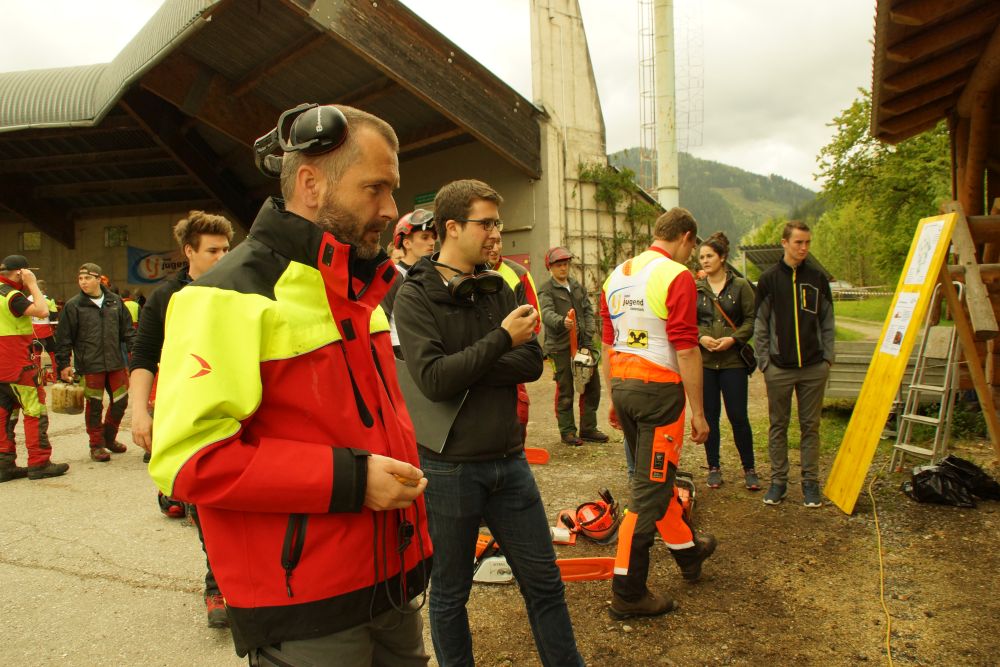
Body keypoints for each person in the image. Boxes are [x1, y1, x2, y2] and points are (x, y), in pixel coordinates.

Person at [148, 104, 431, 666]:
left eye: (392, 190)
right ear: (311, 184)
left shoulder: (360, 289)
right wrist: (354, 481)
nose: (391, 210)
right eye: (375, 188)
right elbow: (187, 460)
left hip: (393, 582)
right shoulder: (224, 296)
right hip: (305, 606)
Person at [393, 179, 584, 667]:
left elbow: (532, 362)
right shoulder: (414, 296)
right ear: (452, 227)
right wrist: (500, 339)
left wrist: (469, 363)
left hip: (509, 463)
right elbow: (435, 379)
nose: (497, 233)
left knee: (545, 584)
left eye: (497, 222)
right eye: (487, 223)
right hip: (449, 470)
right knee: (450, 595)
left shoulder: (497, 285)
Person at [599, 207, 715, 619]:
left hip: (625, 387)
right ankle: (628, 592)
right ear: (686, 237)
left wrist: (613, 397)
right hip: (659, 394)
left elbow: (609, 342)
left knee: (655, 480)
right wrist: (698, 412)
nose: (691, 255)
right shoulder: (675, 275)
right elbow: (686, 347)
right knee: (647, 492)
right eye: (692, 248)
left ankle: (688, 552)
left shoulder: (617, 275)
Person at [129, 210, 233, 627]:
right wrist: (139, 412)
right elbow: (143, 356)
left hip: (237, 407)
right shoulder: (164, 298)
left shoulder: (240, 289)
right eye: (212, 251)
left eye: (226, 249)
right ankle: (217, 588)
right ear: (189, 251)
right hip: (189, 414)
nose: (222, 257)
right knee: (208, 504)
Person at [754, 220, 835, 508]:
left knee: (810, 426)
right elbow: (760, 324)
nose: (803, 248)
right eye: (798, 242)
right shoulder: (769, 279)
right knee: (778, 425)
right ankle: (778, 482)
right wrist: (765, 362)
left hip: (814, 367)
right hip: (779, 368)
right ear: (785, 243)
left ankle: (810, 483)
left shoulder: (817, 278)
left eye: (807, 242)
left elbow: (827, 321)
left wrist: (827, 358)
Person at [695, 232, 759, 491]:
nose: (704, 260)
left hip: (733, 362)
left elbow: (751, 320)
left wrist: (733, 339)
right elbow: (688, 322)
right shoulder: (695, 288)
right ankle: (713, 468)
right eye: (701, 257)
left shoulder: (741, 286)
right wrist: (701, 337)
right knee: (710, 416)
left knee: (738, 416)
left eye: (709, 256)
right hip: (706, 363)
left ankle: (749, 469)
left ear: (722, 257)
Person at [55, 263, 135, 462]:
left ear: (99, 279)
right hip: (90, 365)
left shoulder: (115, 302)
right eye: (80, 278)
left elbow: (128, 332)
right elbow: (64, 337)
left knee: (121, 401)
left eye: (88, 278)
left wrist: (136, 353)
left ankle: (109, 437)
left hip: (115, 363)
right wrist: (64, 364)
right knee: (94, 406)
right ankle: (96, 445)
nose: (83, 282)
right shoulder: (74, 305)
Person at [0, 256, 68, 481]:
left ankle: (4, 465)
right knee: (35, 411)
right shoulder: (12, 296)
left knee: (3, 415)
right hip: (18, 366)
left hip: (2, 369)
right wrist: (32, 284)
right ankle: (39, 462)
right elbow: (42, 311)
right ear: (20, 272)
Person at [537, 247, 608, 446]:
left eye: (565, 264)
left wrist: (589, 332)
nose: (563, 268)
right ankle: (567, 431)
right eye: (559, 265)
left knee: (592, 386)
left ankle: (588, 428)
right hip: (560, 347)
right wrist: (562, 322)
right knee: (566, 390)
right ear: (550, 267)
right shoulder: (546, 289)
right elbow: (546, 313)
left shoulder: (577, 286)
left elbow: (587, 311)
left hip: (584, 344)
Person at [486, 237, 540, 445]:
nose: (495, 248)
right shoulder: (463, 273)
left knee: (519, 412)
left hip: (512, 354)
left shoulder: (518, 273)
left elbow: (534, 319)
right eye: (490, 243)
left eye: (498, 242)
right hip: (480, 356)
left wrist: (513, 345)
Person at [381, 208, 437, 358]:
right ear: (407, 243)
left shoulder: (432, 276)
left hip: (427, 348)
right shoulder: (393, 275)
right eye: (425, 237)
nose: (432, 242)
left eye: (433, 237)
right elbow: (381, 320)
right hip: (400, 351)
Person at [29, 279, 59, 379]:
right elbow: (54, 315)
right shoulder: (49, 300)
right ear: (44, 289)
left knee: (36, 355)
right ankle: (55, 376)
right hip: (46, 331)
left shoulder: (27, 299)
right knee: (53, 354)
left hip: (34, 331)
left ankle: (38, 378)